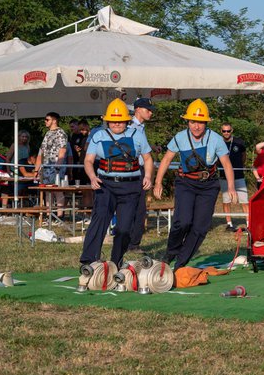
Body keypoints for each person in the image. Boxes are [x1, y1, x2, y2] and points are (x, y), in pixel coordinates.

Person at [153, 98, 237, 269]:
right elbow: (167, 159)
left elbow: (227, 164)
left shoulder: (216, 139)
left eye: (200, 122)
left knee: (200, 227)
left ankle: (181, 263)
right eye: (192, 122)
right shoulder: (180, 137)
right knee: (182, 222)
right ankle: (171, 252)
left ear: (206, 123)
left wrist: (231, 187)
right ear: (187, 122)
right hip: (186, 183)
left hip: (209, 185)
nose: (196, 126)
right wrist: (158, 182)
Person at [79, 99, 153, 269]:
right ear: (107, 120)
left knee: (125, 228)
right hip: (105, 185)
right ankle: (88, 260)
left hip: (131, 186)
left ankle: (116, 261)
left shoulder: (137, 135)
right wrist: (92, 177)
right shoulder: (99, 136)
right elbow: (88, 161)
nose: (117, 124)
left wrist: (148, 176)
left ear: (127, 120)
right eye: (113, 121)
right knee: (100, 219)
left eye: (120, 121)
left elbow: (148, 158)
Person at [127, 97, 157, 254]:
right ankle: (131, 243)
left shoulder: (140, 127)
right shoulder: (130, 126)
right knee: (136, 208)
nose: (151, 113)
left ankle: (133, 243)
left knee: (139, 208)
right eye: (148, 110)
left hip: (140, 170)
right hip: (133, 169)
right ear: (138, 109)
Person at [33, 112, 68, 220]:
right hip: (46, 165)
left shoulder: (61, 133)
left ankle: (60, 215)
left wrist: (58, 166)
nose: (45, 121)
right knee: (48, 191)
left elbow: (62, 150)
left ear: (54, 120)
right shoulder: (47, 133)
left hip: (55, 165)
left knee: (57, 190)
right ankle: (49, 215)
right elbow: (41, 151)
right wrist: (36, 169)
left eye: (47, 119)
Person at [218, 122, 249, 231]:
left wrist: (240, 165)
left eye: (228, 131)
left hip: (239, 175)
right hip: (223, 176)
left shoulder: (239, 142)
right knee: (226, 201)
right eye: (224, 131)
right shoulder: (218, 142)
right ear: (221, 131)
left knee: (244, 201)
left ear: (232, 131)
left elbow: (243, 155)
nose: (226, 133)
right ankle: (229, 224)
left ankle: (249, 224)